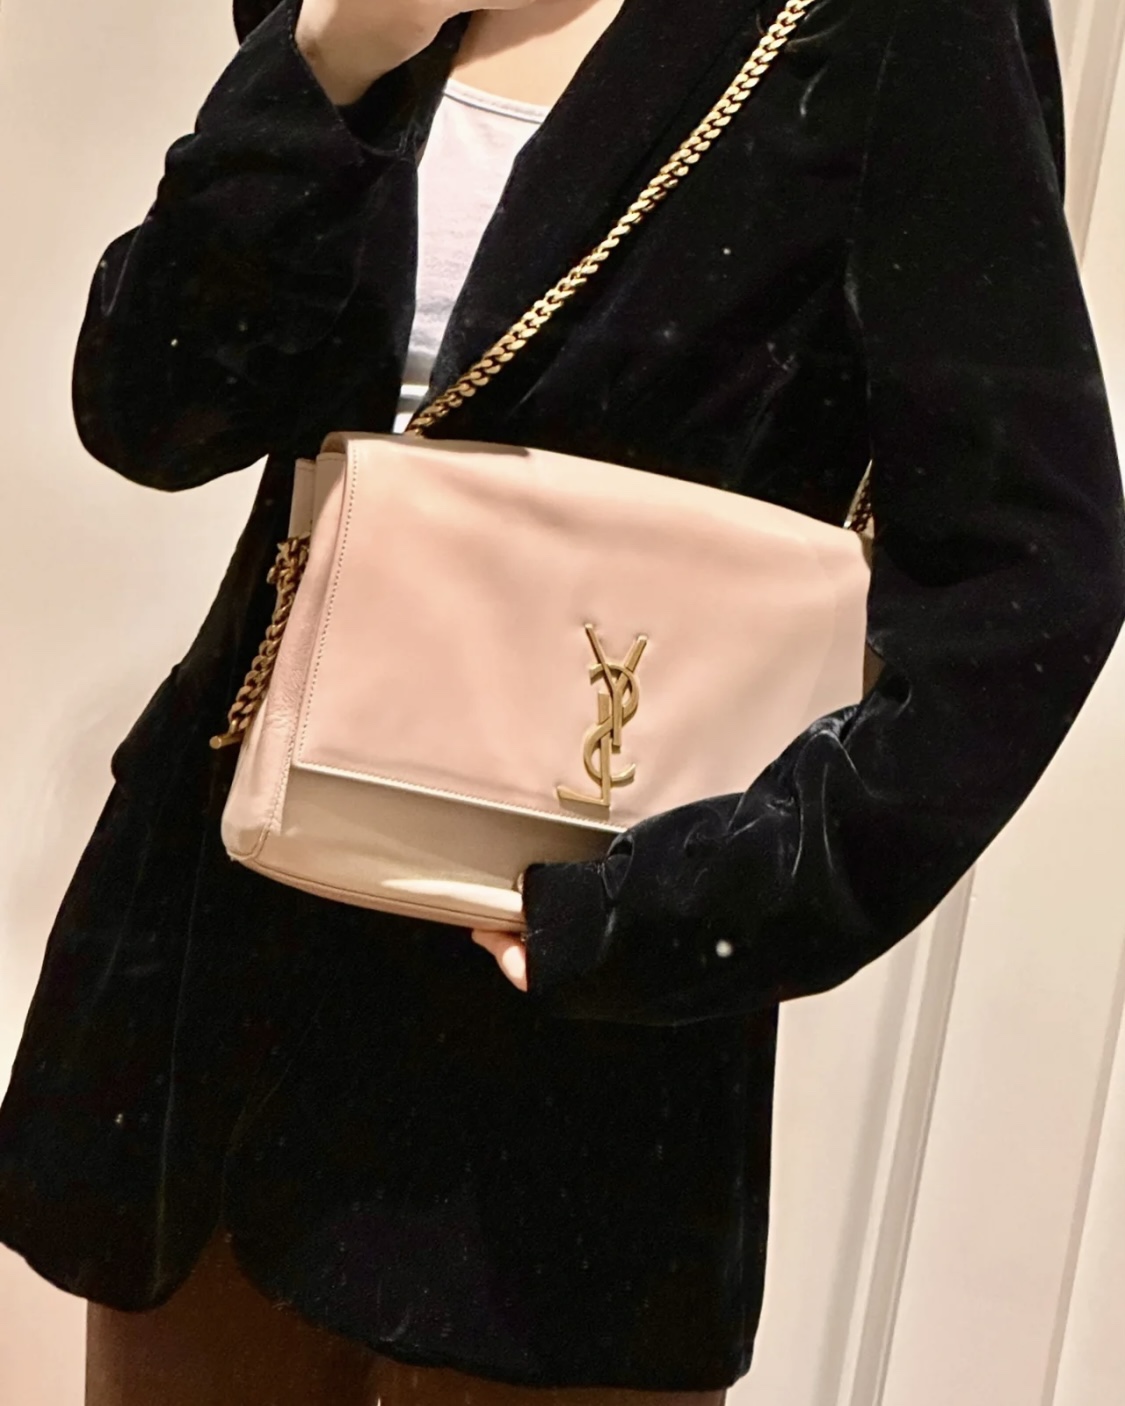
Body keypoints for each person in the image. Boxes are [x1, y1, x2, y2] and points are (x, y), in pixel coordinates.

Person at [1, 0, 1123, 1401]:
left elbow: (1027, 567)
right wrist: (326, 60)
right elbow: (153, 416)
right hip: (218, 984)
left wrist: (710, 903)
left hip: (569, 1062)